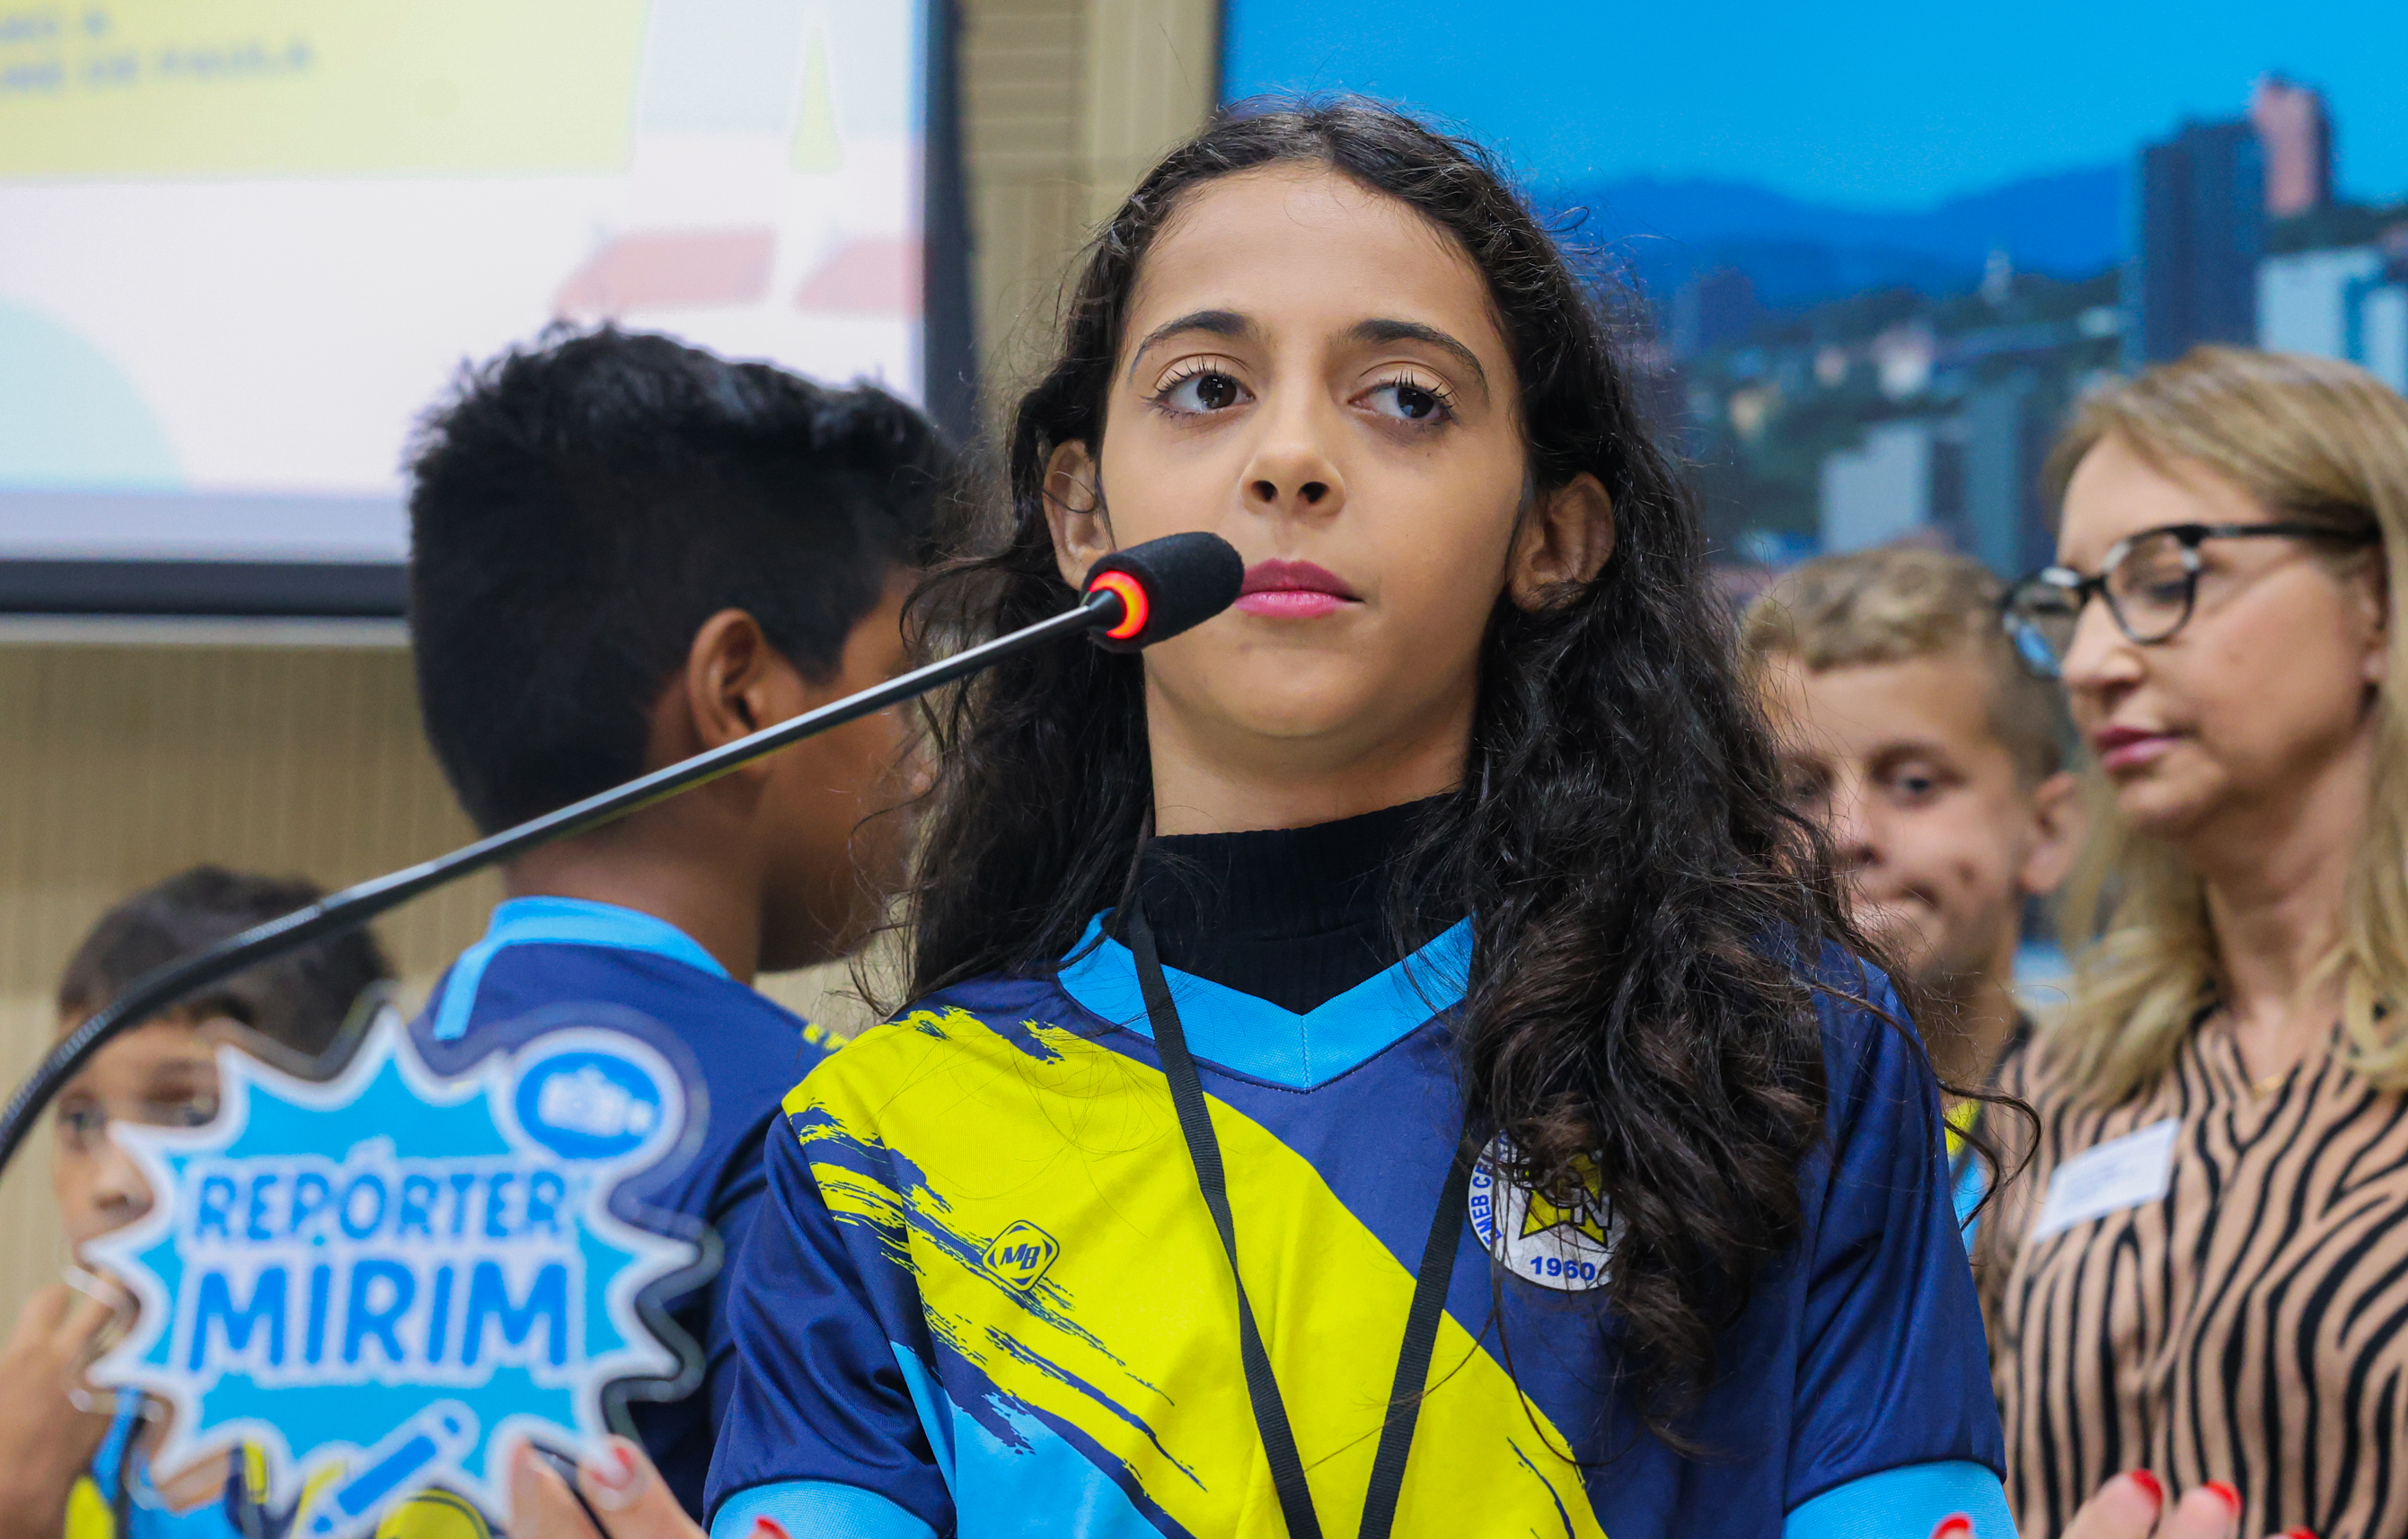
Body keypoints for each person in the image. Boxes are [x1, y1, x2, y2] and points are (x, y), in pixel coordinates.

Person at [701, 100, 2009, 1539]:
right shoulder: (872, 1146)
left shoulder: (1789, 1061)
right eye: (1208, 387)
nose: (1291, 460)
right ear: (1083, 517)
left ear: (1552, 535)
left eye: (1406, 399)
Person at [1975, 346, 2408, 1536]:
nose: (2094, 663)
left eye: (2165, 577)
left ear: (2382, 604)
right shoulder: (2065, 1085)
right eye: (2071, 605)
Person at [401, 327, 961, 1519]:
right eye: (900, 687)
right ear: (740, 693)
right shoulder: (814, 1133)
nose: (922, 769)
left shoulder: (349, 1114)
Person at [3, 866, 393, 1539]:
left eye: (191, 1113)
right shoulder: (52, 1439)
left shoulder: (396, 1449)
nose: (112, 1183)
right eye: (80, 1119)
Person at [1739, 545, 2083, 1228]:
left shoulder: (2117, 1136)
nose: (1847, 834)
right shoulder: (1688, 1145)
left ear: (2044, 832)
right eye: (1800, 791)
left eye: (1915, 783)